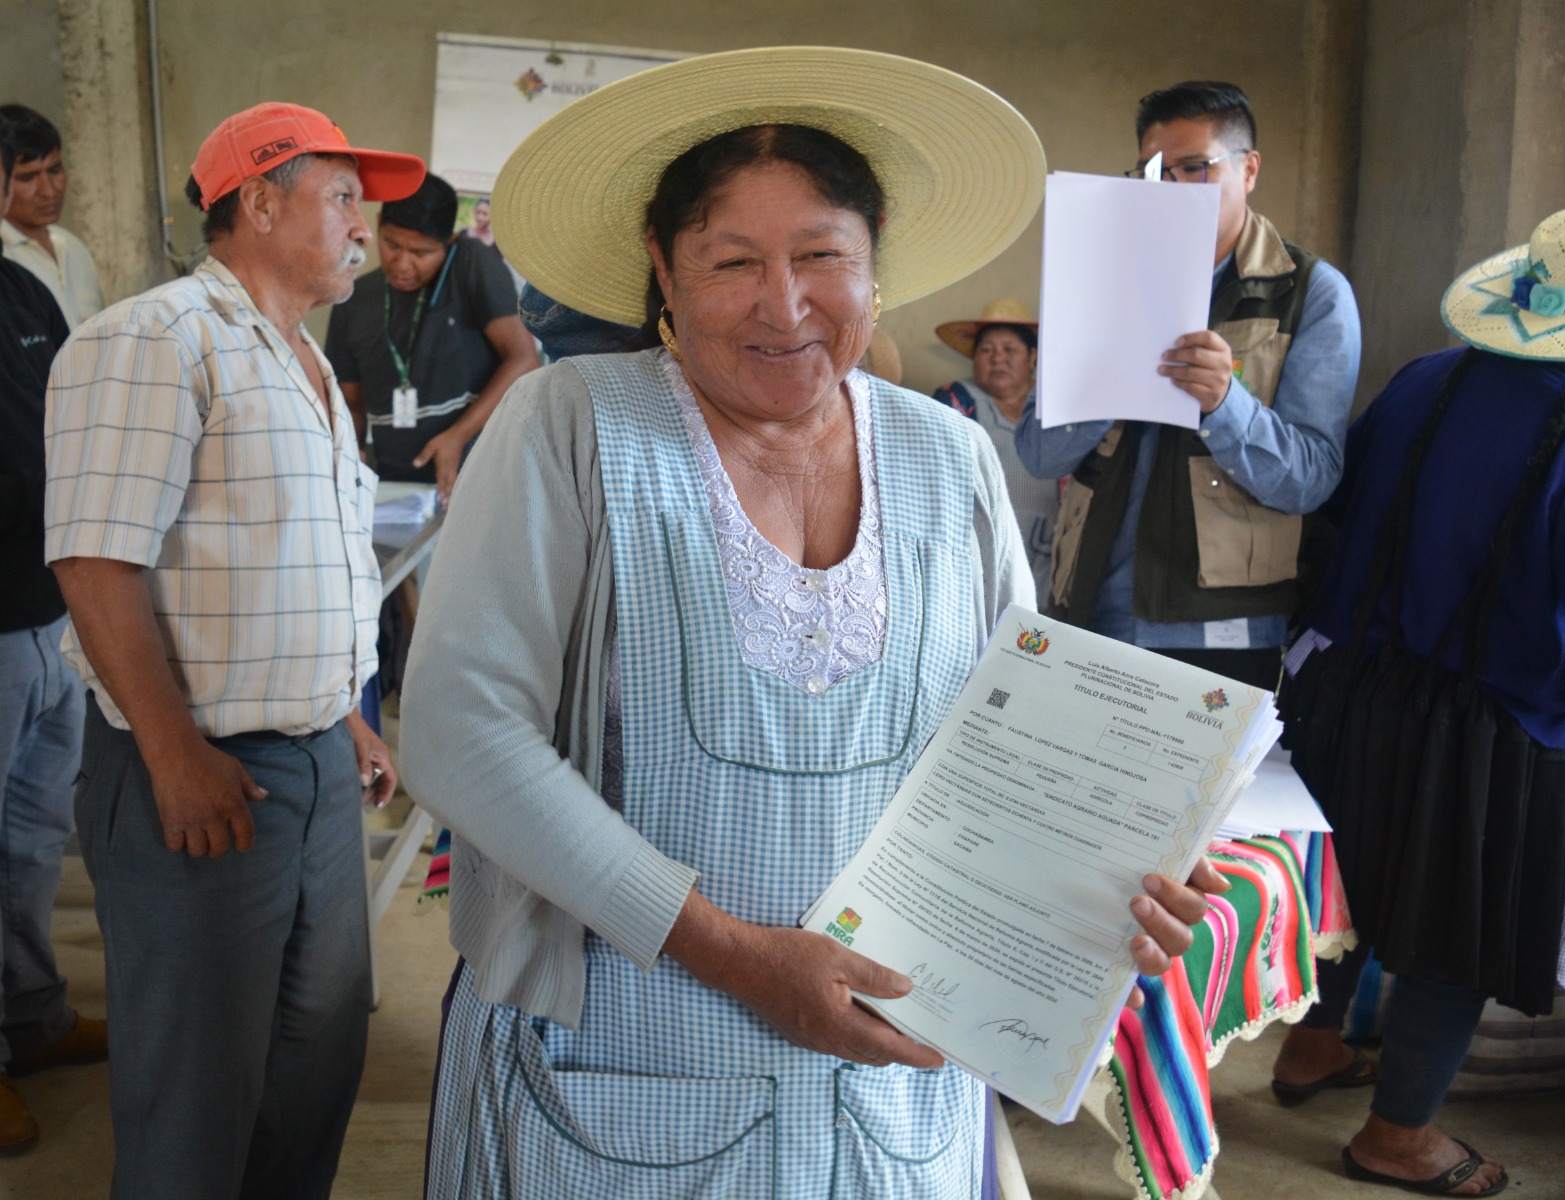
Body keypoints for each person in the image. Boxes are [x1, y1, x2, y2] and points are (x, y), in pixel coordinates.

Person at [402, 46, 1230, 1198]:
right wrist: (737, 956)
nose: (784, 306)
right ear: (662, 267)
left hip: (886, 1097)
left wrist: (1115, 864)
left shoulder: (947, 457)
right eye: (732, 260)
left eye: (822, 256)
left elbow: (1020, 740)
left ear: (874, 262)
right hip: (615, 1083)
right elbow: (460, 734)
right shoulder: (570, 425)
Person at [43, 101, 419, 1199]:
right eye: (342, 197)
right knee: (197, 1099)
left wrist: (344, 717)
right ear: (258, 200)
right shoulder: (155, 339)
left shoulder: (303, 361)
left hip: (313, 766)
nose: (363, 226)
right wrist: (171, 754)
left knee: (313, 1069)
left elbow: (286, 566)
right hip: (203, 768)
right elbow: (96, 564)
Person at [1271, 203, 1565, 1196]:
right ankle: (1398, 1134)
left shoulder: (1424, 379)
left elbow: (1336, 512)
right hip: (1486, 727)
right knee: (1451, 934)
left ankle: (1309, 1047)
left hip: (1345, 691)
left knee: (1346, 895)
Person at [1015, 81, 1361, 690]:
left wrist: (1226, 405)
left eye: (1195, 167)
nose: (1171, 188)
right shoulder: (1095, 278)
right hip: (1090, 608)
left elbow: (1312, 478)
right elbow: (1038, 455)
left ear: (1249, 169)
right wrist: (1104, 381)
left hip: (1219, 629)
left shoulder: (1310, 292)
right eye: (1154, 171)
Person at [0, 123, 106, 1157]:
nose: (43, 188)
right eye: (22, 174)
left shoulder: (30, 288)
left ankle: (30, 1018)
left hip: (47, 602)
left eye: (48, 169)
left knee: (33, 833)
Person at [326, 171, 537, 501]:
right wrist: (347, 449)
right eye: (392, 244)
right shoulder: (353, 298)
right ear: (377, 224)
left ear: (449, 242)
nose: (402, 265)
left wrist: (458, 435)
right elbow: (351, 402)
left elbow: (524, 360)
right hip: (395, 486)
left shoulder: (470, 263)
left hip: (474, 480)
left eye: (421, 253)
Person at [933, 298, 1056, 603]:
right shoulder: (957, 399)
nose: (997, 358)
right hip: (978, 546)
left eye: (1009, 349)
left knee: (1037, 625)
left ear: (1033, 357)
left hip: (1048, 547)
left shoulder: (1056, 406)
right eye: (987, 350)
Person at [0, 104, 103, 329]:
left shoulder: (73, 246)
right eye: (28, 177)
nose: (48, 191)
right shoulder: (5, 260)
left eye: (55, 170)